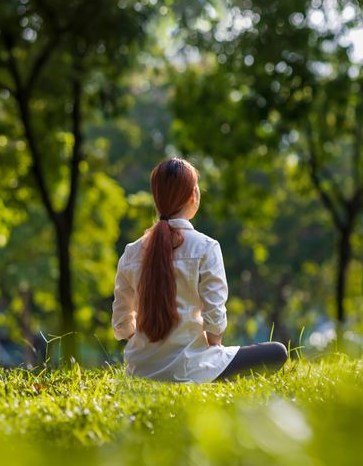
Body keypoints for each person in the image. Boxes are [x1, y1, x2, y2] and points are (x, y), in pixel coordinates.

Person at [112, 157, 288, 382]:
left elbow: (121, 325)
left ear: (156, 200)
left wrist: (150, 349)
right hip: (194, 368)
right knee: (277, 352)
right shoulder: (206, 247)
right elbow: (214, 320)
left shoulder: (131, 252)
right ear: (193, 196)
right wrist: (213, 347)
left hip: (141, 370)